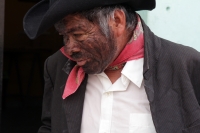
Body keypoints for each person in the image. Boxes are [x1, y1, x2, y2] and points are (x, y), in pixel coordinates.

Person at [23, 0, 200, 133]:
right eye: (65, 37)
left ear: (117, 21)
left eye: (78, 34)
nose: (69, 48)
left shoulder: (185, 66)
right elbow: (50, 126)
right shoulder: (57, 67)